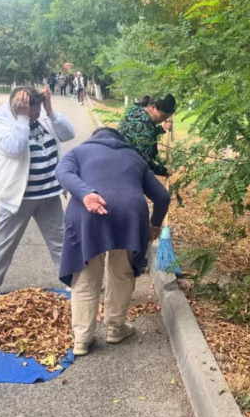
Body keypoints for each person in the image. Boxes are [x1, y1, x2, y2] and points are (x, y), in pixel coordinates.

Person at [55, 127, 171, 355]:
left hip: (89, 215)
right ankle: (115, 328)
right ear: (120, 140)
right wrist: (155, 225)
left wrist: (86, 193)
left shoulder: (79, 152)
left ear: (94, 137)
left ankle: (82, 338)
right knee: (121, 273)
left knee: (86, 277)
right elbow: (162, 196)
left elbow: (62, 172)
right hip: (129, 216)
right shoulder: (133, 156)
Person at [0, 86, 76, 303]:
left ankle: (71, 280)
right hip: (17, 198)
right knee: (4, 242)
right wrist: (23, 119)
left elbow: (68, 133)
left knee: (60, 240)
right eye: (31, 112)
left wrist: (49, 111)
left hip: (48, 194)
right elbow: (16, 148)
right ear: (18, 107)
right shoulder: (1, 125)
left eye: (36, 112)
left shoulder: (41, 116)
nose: (35, 116)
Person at [118, 93, 176, 176]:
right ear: (152, 108)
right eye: (163, 116)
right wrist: (165, 170)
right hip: (123, 170)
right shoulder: (147, 129)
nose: (163, 120)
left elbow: (139, 131)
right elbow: (145, 164)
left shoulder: (136, 109)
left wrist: (161, 128)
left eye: (167, 117)